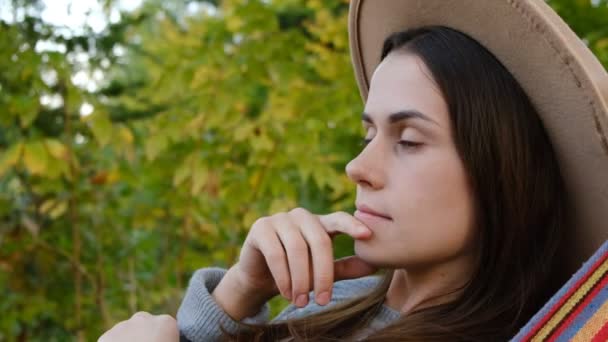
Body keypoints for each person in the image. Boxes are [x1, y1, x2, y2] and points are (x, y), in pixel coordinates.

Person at [99, 0, 608, 341]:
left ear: (502, 173)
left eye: (407, 141)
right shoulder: (334, 302)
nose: (357, 168)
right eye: (368, 136)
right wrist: (240, 292)